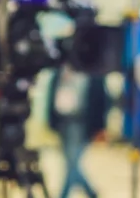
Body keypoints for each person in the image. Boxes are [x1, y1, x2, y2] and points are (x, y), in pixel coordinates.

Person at [47, 65, 108, 198]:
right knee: (71, 162)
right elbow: (51, 96)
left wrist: (100, 127)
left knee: (72, 161)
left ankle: (64, 195)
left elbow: (101, 99)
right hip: (62, 121)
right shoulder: (60, 71)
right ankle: (91, 192)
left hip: (80, 122)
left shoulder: (93, 72)